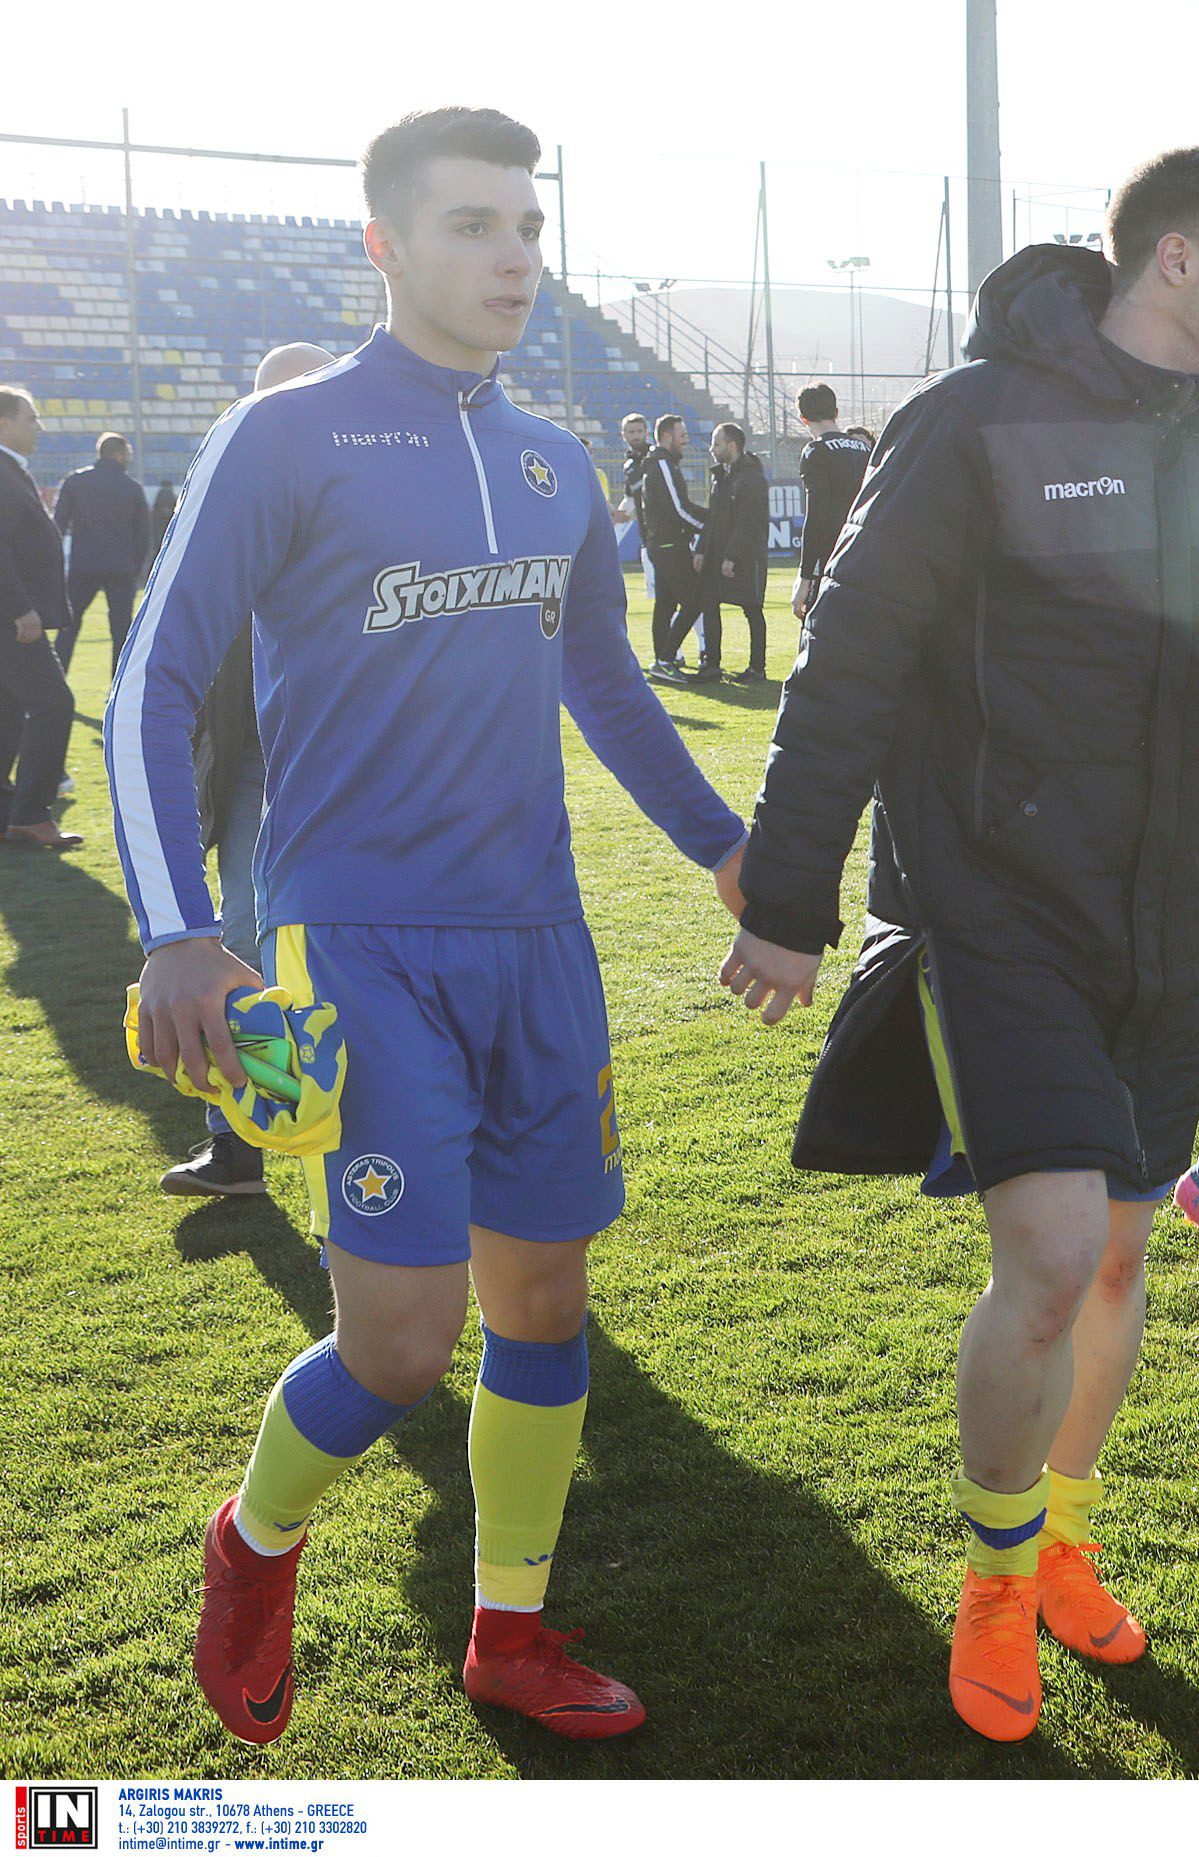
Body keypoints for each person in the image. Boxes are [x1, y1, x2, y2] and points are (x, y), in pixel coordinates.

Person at [106, 105, 748, 1747]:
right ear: (385, 246)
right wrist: (180, 926)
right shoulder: (294, 437)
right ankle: (251, 1545)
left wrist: (726, 849)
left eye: (526, 225)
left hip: (538, 942)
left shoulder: (554, 460)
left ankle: (511, 1631)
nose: (515, 253)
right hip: (359, 942)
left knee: (545, 1309)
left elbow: (602, 678)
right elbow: (157, 682)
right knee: (399, 1338)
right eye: (472, 225)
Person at [714, 146, 1199, 1745]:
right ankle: (999, 1577)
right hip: (987, 901)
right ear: (1171, 265)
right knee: (1056, 1254)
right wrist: (792, 904)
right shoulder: (974, 419)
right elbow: (849, 656)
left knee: (1126, 1254)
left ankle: (1066, 1545)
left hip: (1156, 903)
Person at [160, 342, 339, 1200]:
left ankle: (371, 1163)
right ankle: (242, 1146)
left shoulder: (370, 494)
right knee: (239, 943)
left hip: (353, 769)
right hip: (252, 765)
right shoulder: (221, 492)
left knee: (353, 952)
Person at [0, 386, 79, 849]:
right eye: (31, 417)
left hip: (12, 617)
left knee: (9, 712)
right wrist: (20, 609)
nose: (39, 426)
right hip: (12, 620)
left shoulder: (12, 470)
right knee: (54, 703)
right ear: (4, 422)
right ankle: (31, 813)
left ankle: (10, 811)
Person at [51, 431, 155, 675]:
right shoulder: (131, 488)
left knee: (68, 627)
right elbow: (143, 537)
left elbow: (57, 525)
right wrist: (135, 568)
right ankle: (117, 689)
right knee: (121, 632)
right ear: (119, 454)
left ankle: (56, 680)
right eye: (128, 453)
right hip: (120, 569)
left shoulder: (75, 481)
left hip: (82, 565)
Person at [788, 383, 871, 624]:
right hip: (866, 557)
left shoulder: (816, 451)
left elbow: (817, 516)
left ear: (803, 418)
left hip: (831, 559)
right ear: (836, 413)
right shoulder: (865, 451)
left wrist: (804, 579)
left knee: (818, 632)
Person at [640, 412, 711, 682]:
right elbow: (679, 510)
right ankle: (666, 658)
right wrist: (710, 526)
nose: (686, 440)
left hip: (663, 543)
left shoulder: (662, 463)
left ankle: (662, 661)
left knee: (667, 604)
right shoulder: (663, 465)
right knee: (696, 600)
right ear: (667, 436)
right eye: (682, 435)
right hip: (669, 543)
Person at [705, 422, 770, 681]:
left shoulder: (751, 479)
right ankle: (712, 663)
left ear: (732, 445)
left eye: (716, 443)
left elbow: (748, 522)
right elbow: (714, 518)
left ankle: (757, 668)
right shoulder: (721, 475)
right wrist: (703, 551)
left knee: (752, 609)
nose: (711, 449)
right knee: (709, 603)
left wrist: (732, 556)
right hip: (719, 554)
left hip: (746, 557)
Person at [614, 411, 654, 600]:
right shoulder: (629, 465)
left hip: (667, 534)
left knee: (679, 594)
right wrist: (614, 519)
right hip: (648, 538)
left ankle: (704, 631)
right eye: (631, 432)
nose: (635, 436)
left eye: (639, 431)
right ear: (624, 435)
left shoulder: (656, 458)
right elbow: (630, 500)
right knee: (657, 597)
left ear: (647, 433)